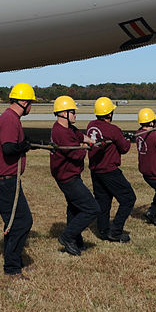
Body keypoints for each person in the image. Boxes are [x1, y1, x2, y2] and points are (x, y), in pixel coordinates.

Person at [0, 83, 36, 279]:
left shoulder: (10, 117)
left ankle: (14, 261)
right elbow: (8, 148)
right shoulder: (10, 119)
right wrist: (24, 147)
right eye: (31, 103)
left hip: (6, 179)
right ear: (23, 102)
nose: (32, 107)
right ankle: (12, 268)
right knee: (23, 222)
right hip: (5, 180)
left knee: (14, 222)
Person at [50, 95, 99, 256]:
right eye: (73, 112)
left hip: (72, 174)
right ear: (64, 113)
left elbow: (80, 136)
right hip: (67, 177)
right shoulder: (60, 132)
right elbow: (75, 154)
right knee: (92, 208)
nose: (75, 115)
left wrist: (90, 141)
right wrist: (85, 147)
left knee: (74, 208)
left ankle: (76, 241)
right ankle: (67, 237)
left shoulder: (69, 128)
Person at [85, 96, 136, 243]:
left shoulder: (91, 125)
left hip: (96, 170)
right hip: (109, 171)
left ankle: (103, 230)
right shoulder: (113, 130)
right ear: (109, 114)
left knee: (103, 201)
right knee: (128, 199)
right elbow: (124, 148)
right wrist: (126, 139)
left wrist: (120, 137)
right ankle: (115, 231)